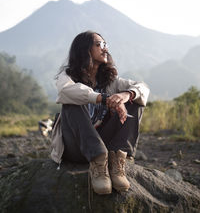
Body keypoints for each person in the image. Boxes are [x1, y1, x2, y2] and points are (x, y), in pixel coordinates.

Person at [51, 31, 150, 195]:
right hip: (76, 147)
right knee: (72, 101)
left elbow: (143, 87)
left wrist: (126, 95)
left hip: (105, 143)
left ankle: (117, 162)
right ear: (84, 49)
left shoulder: (110, 81)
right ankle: (97, 161)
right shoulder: (68, 76)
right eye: (99, 44)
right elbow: (65, 91)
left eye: (106, 45)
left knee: (134, 100)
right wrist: (103, 98)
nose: (105, 49)